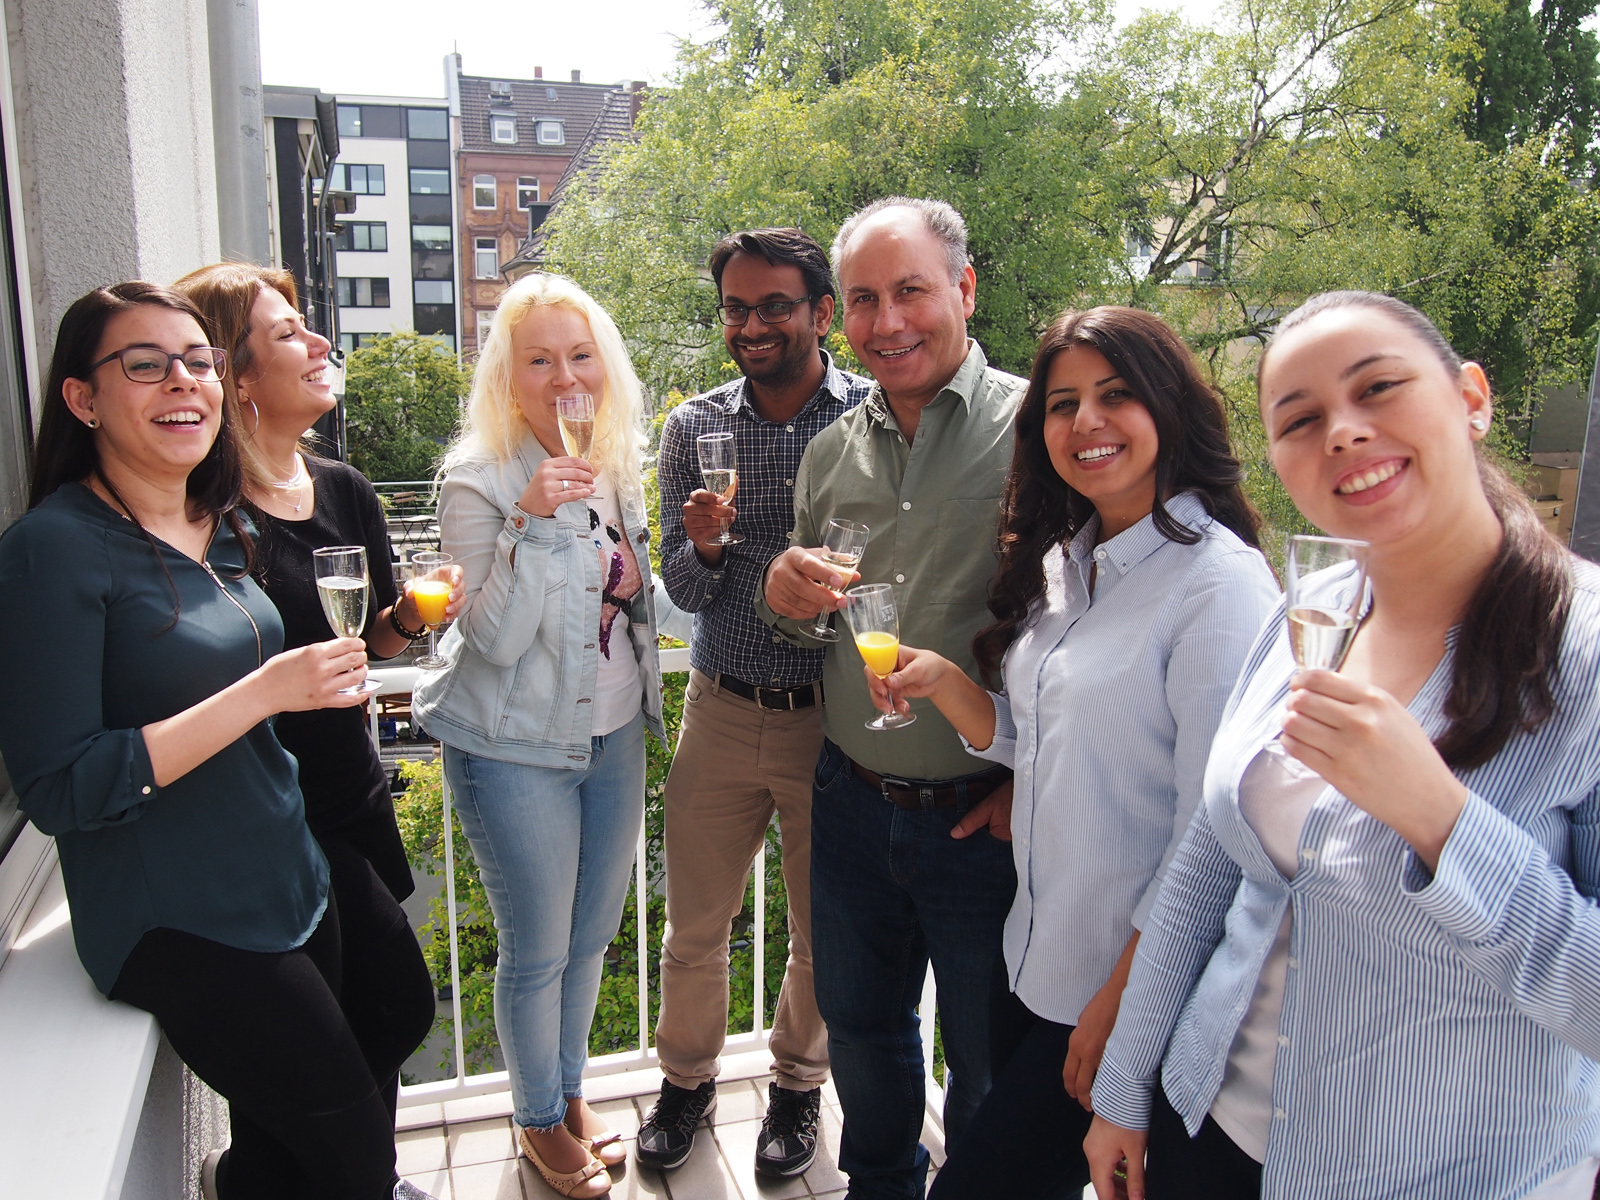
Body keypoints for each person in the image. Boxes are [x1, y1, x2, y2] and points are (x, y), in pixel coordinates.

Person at [1084, 291, 1600, 1200]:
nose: (1345, 433)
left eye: (1378, 388)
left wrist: (1441, 821)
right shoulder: (1312, 609)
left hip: (1437, 1172)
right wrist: (1125, 1087)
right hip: (1211, 1133)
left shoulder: (1583, 656)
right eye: (1301, 419)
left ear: (1472, 399)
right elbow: (1209, 864)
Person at [0, 282, 438, 1200]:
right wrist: (266, 691)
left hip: (288, 872)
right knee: (356, 1159)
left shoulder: (217, 523)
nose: (182, 382)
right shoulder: (54, 549)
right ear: (83, 398)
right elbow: (59, 787)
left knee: (296, 1138)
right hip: (183, 915)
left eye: (197, 361)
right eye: (145, 365)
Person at [849, 307, 1278, 1198]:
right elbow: (1047, 736)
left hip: (1113, 992)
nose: (1086, 422)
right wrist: (947, 684)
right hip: (1028, 962)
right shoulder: (1069, 563)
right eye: (1062, 403)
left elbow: (1211, 837)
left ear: (1170, 407)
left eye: (1116, 395)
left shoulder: (1217, 585)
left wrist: (1123, 1004)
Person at [757, 196, 1026, 1199]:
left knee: (988, 1060)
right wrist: (782, 595)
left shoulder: (1040, 431)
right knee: (863, 1034)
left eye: (910, 290)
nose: (887, 321)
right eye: (864, 299)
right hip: (852, 802)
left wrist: (1032, 777)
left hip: (985, 818)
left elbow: (1090, 630)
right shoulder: (831, 452)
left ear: (965, 289)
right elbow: (811, 624)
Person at [176, 262, 460, 1136]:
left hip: (353, 795)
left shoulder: (343, 489)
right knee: (332, 1034)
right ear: (238, 378)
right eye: (289, 332)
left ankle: (369, 1174)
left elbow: (364, 646)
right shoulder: (204, 513)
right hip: (272, 816)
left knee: (382, 1013)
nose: (320, 340)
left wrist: (409, 618)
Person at [411, 272, 666, 1199]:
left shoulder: (616, 468)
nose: (565, 377)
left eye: (581, 355)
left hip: (613, 734)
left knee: (593, 936)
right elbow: (494, 638)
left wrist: (688, 579)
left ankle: (567, 1096)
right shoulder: (478, 481)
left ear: (606, 367)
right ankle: (537, 1121)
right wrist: (533, 518)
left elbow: (641, 602)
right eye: (540, 360)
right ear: (507, 379)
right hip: (512, 750)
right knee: (538, 949)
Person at [640, 228, 872, 1177]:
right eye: (737, 308)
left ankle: (797, 1089)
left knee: (820, 931)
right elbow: (683, 592)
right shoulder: (692, 427)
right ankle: (685, 1082)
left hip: (833, 718)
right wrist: (702, 546)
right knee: (695, 924)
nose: (753, 324)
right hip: (722, 707)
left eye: (775, 305)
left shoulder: (872, 417)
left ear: (822, 313)